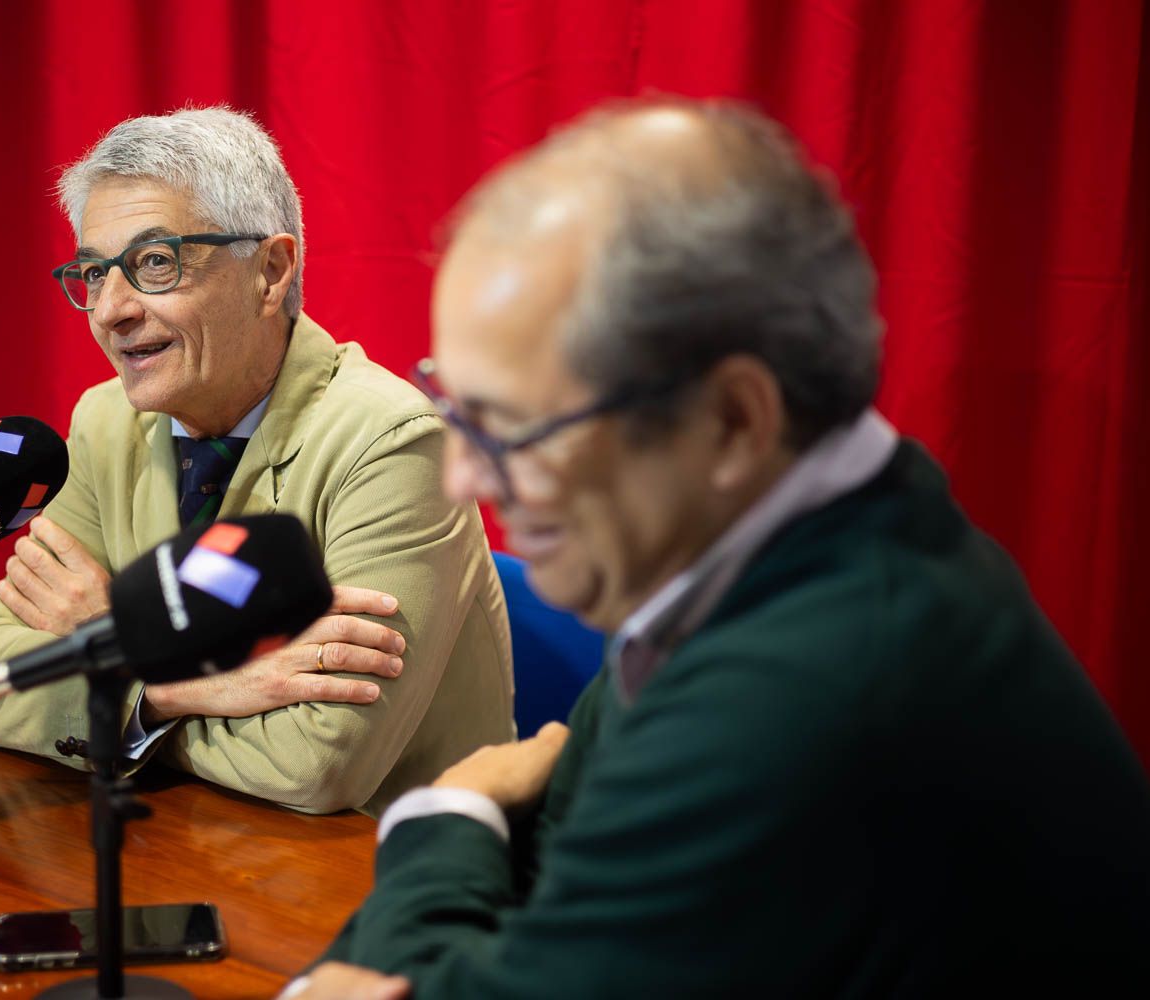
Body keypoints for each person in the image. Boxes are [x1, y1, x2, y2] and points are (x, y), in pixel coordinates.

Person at [292, 97, 1150, 996]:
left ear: (735, 422)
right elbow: (542, 891)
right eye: (453, 409)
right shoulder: (755, 552)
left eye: (510, 428)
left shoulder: (806, 689)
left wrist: (443, 816)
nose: (464, 479)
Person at [0, 107, 513, 818]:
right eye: (94, 273)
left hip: (381, 878)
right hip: (185, 845)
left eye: (154, 263)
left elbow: (318, 766)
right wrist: (170, 688)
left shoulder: (395, 441)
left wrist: (113, 669)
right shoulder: (103, 422)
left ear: (271, 271)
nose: (109, 310)